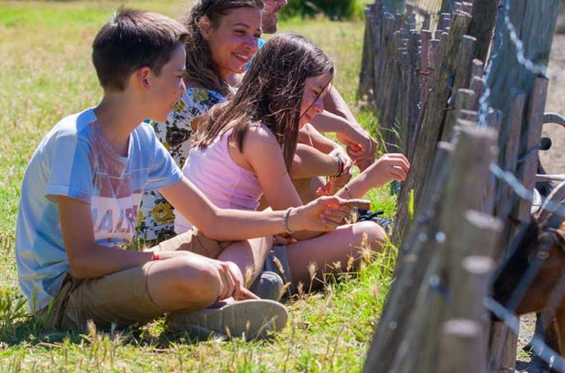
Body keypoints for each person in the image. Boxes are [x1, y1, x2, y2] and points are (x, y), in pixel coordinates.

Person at [15, 9, 365, 340]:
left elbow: (211, 220)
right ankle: (212, 292)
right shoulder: (76, 141)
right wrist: (168, 258)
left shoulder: (142, 139)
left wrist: (292, 218)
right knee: (192, 272)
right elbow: (85, 261)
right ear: (145, 78)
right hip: (66, 295)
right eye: (179, 76)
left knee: (256, 226)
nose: (184, 89)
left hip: (115, 273)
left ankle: (213, 305)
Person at [174, 33, 410, 296]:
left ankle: (261, 279)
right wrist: (368, 180)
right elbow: (306, 228)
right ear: (284, 84)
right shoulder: (258, 137)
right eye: (314, 94)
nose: (320, 107)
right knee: (373, 237)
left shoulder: (235, 116)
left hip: (210, 243)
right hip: (224, 252)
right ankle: (259, 281)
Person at [136, 0, 357, 245]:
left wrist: (335, 145)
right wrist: (337, 163)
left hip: (214, 220)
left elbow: (294, 129)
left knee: (297, 165)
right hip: (174, 231)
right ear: (205, 27)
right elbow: (284, 157)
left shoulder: (228, 82)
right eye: (240, 32)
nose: (252, 45)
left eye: (256, 34)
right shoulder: (192, 96)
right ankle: (334, 231)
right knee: (295, 172)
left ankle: (334, 229)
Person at [204, 0, 377, 170]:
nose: (283, 1)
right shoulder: (215, 62)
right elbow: (281, 118)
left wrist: (352, 128)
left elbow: (311, 82)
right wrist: (337, 160)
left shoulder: (255, 47)